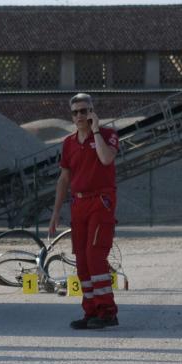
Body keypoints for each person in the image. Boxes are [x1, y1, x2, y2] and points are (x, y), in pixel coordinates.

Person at [48, 93, 120, 329]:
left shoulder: (108, 135)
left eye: (84, 111)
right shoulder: (69, 143)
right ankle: (90, 311)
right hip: (78, 205)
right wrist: (56, 212)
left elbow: (106, 159)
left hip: (101, 202)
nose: (80, 116)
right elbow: (64, 178)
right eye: (76, 112)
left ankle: (107, 311)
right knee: (81, 260)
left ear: (92, 112)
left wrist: (96, 130)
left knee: (95, 255)